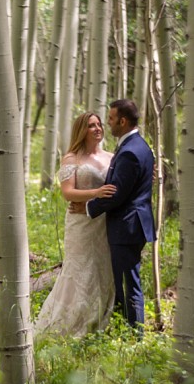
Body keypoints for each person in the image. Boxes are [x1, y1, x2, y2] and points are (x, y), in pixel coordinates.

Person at [34, 112, 117, 337]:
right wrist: (96, 193)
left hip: (104, 223)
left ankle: (100, 318)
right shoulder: (72, 158)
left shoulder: (112, 157)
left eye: (99, 124)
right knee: (80, 269)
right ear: (82, 130)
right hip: (81, 223)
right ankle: (69, 320)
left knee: (103, 268)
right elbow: (67, 192)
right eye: (91, 125)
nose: (98, 128)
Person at [83, 99, 156, 335]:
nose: (109, 124)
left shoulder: (130, 152)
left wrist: (88, 209)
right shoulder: (139, 146)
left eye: (112, 119)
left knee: (128, 283)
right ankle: (127, 330)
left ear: (123, 121)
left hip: (127, 227)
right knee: (127, 281)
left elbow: (116, 194)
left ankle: (135, 336)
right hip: (134, 224)